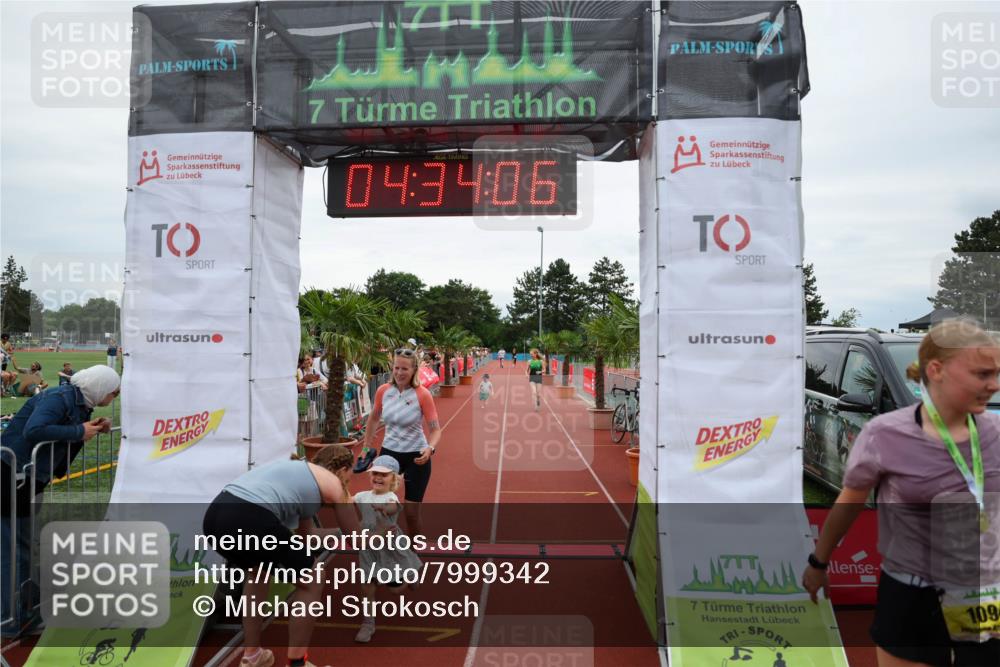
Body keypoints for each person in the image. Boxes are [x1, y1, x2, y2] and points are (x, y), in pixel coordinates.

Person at [803, 320, 1000, 667]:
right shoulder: (885, 433)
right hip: (911, 590)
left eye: (995, 375)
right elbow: (849, 503)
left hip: (982, 590)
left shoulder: (996, 431)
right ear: (936, 370)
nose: (993, 385)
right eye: (981, 374)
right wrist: (819, 562)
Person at [202, 445, 360, 667]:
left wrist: (340, 532)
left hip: (217, 516)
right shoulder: (333, 483)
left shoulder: (301, 476)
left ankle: (253, 656)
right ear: (343, 470)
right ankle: (297, 663)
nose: (349, 481)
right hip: (249, 515)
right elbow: (359, 538)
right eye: (350, 475)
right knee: (313, 579)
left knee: (258, 574)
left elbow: (307, 535)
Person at [1, 365, 120, 638]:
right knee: (12, 549)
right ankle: (9, 620)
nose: (115, 396)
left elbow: (61, 430)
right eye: (114, 392)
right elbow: (35, 430)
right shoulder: (58, 397)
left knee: (21, 546)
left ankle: (21, 612)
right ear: (101, 388)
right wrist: (79, 431)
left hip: (27, 476)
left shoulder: (78, 402)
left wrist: (91, 428)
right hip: (11, 474)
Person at [361, 348, 441, 537]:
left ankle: (414, 551)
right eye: (396, 368)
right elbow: (373, 419)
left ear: (414, 370)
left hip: (416, 456)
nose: (399, 373)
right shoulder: (383, 391)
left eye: (404, 369)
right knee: (379, 505)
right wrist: (365, 447)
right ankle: (383, 549)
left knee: (412, 514)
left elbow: (435, 429)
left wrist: (430, 448)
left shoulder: (422, 395)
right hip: (389, 454)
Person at [352, 455, 422, 643]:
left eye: (384, 475)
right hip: (368, 547)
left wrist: (384, 509)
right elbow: (346, 500)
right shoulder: (362, 496)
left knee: (395, 591)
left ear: (394, 479)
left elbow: (392, 508)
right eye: (375, 473)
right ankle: (368, 623)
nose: (378, 478)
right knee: (367, 586)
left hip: (389, 547)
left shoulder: (390, 497)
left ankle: (410, 575)